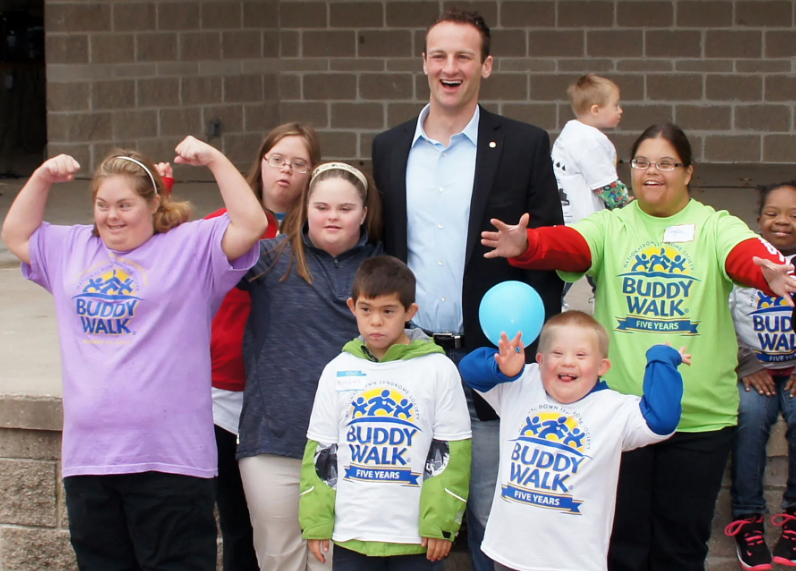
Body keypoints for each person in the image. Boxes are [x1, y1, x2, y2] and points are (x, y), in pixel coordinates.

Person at [479, 123, 796, 571]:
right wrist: (528, 243)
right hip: (620, 418)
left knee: (680, 550)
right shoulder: (611, 225)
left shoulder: (715, 225)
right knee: (621, 548)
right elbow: (572, 245)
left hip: (699, 420)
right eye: (642, 162)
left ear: (688, 172)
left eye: (666, 163)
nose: (652, 171)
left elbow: (742, 254)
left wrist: (765, 273)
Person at [0, 137, 266, 571]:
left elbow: (251, 223)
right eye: (102, 205)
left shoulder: (189, 247)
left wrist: (215, 160)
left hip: (171, 462)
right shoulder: (72, 247)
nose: (112, 216)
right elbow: (16, 234)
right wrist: (42, 177)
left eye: (125, 205)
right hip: (90, 461)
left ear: (154, 203)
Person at [371, 10, 563, 569]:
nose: (449, 68)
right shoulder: (388, 147)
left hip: (491, 361)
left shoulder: (525, 144)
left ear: (486, 65)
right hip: (409, 355)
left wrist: (527, 353)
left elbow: (549, 258)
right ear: (424, 63)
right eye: (439, 55)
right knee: (405, 513)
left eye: (463, 56)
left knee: (493, 521)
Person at [236, 162, 383, 571]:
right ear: (305, 209)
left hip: (354, 447)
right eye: (321, 207)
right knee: (279, 559)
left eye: (345, 208)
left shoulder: (384, 268)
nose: (332, 216)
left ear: (364, 213)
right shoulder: (269, 257)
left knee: (333, 563)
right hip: (274, 442)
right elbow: (211, 246)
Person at [458, 311, 686, 571]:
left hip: (573, 562)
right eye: (557, 353)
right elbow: (469, 369)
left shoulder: (614, 409)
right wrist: (501, 369)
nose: (567, 362)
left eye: (581, 355)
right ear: (540, 360)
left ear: (602, 367)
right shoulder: (521, 383)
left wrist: (661, 359)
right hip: (509, 554)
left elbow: (661, 420)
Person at [298, 256, 472, 570]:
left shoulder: (439, 369)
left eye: (388, 311)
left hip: (417, 540)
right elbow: (322, 450)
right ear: (352, 307)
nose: (376, 321)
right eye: (366, 309)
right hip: (352, 534)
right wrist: (316, 521)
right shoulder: (337, 369)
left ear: (410, 312)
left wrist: (440, 522)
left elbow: (451, 451)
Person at [204, 123, 320, 571]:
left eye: (298, 163)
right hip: (222, 394)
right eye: (278, 160)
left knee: (286, 527)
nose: (286, 171)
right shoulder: (224, 222)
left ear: (312, 171)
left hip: (281, 400)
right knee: (236, 523)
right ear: (262, 162)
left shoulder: (317, 230)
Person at [725, 181, 796, 570]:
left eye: (794, 215)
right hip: (754, 370)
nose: (782, 221)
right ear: (758, 220)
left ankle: (794, 518)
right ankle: (748, 519)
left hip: (794, 369)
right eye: (772, 213)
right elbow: (719, 315)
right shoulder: (745, 262)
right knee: (749, 418)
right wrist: (746, 362)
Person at [554, 74, 629, 226]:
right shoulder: (589, 141)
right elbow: (606, 186)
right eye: (615, 105)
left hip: (567, 219)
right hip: (587, 225)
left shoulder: (569, 134)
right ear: (595, 110)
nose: (620, 110)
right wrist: (625, 204)